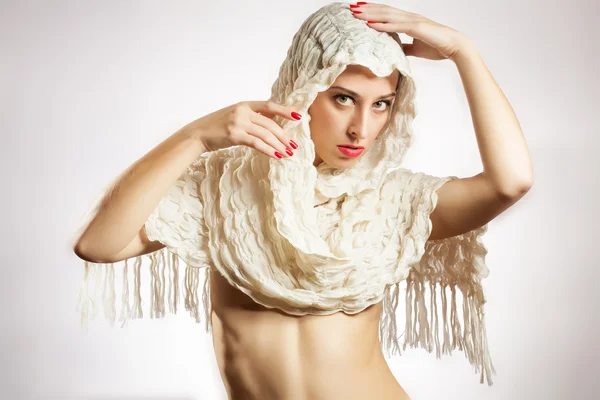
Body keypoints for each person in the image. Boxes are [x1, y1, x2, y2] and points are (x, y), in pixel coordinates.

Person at [72, 2, 533, 399]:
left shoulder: (394, 201)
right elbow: (99, 244)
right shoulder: (222, 189)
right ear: (304, 90)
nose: (362, 129)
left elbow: (510, 182)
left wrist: (462, 51)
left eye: (381, 103)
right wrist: (194, 137)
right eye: (343, 98)